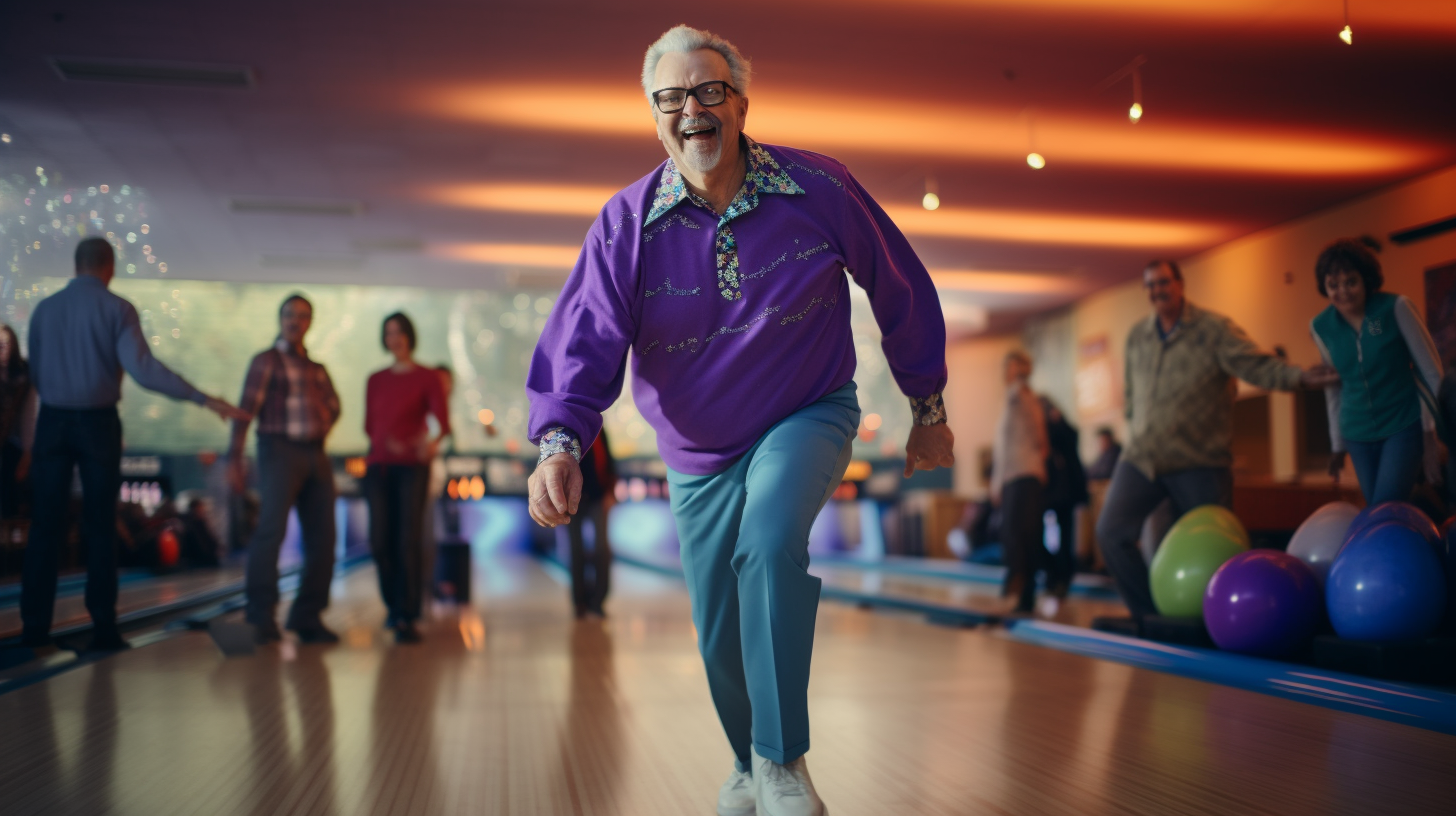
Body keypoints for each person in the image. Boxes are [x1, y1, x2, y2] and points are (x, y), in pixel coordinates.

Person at [525, 26, 954, 816]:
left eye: (709, 91)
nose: (692, 110)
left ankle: (782, 760)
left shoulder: (817, 188)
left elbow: (898, 284)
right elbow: (581, 342)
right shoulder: (625, 226)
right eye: (672, 97)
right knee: (718, 629)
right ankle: (745, 761)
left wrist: (927, 405)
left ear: (742, 103)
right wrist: (559, 443)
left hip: (806, 410)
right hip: (696, 452)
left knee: (766, 547)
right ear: (654, 115)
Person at [22, 238, 246, 651]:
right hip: (97, 423)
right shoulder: (117, 309)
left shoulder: (44, 310)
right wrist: (202, 397)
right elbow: (144, 371)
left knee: (45, 527)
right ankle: (103, 629)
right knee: (101, 523)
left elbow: (35, 376)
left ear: (76, 266)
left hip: (52, 422)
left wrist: (28, 441)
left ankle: (34, 629)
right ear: (109, 267)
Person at [1095, 259, 1336, 625]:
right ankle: (1148, 617)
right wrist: (1135, 423)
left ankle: (1223, 620)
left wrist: (1298, 377)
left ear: (1180, 284)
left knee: (1218, 548)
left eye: (1163, 282)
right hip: (1144, 457)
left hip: (1200, 460)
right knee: (1110, 532)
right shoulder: (1137, 336)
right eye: (1150, 285)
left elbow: (1255, 365)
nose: (1157, 290)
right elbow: (1130, 393)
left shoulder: (1213, 329)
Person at [229, 294, 342, 645]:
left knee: (324, 537)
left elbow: (335, 407)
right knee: (270, 532)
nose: (295, 321)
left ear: (310, 323)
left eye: (302, 316)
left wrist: (320, 425)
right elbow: (245, 411)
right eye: (289, 315)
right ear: (281, 319)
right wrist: (234, 458)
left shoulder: (316, 368)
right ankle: (261, 617)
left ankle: (307, 617)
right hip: (278, 451)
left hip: (315, 453)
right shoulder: (266, 361)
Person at [1309, 237, 1445, 506]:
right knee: (1376, 509)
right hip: (1356, 433)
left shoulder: (1391, 310)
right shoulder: (1322, 327)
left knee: (1387, 505)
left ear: (1366, 280)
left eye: (1351, 281)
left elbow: (1430, 371)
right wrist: (1337, 444)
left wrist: (1432, 431)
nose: (1343, 291)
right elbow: (1334, 387)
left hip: (1402, 424)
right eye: (1333, 285)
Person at [364, 313, 450, 644]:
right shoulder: (375, 379)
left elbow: (442, 425)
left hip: (412, 469)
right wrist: (387, 442)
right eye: (389, 333)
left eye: (399, 332)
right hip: (378, 468)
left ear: (409, 337)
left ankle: (407, 614)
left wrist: (427, 445)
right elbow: (370, 426)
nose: (394, 338)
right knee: (379, 541)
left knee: (406, 540)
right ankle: (392, 606)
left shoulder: (428, 377)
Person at [991, 351, 1049, 614]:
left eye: (1013, 367)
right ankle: (1023, 593)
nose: (1008, 372)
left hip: (1025, 474)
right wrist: (997, 483)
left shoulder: (1021, 396)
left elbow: (1041, 440)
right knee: (1019, 534)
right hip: (1015, 475)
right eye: (1008, 366)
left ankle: (1021, 590)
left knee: (1020, 535)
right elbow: (1002, 448)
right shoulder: (1013, 400)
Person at [1041, 394, 1088, 612]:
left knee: (1065, 536)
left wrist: (1057, 421)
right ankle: (1055, 576)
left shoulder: (1059, 427)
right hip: (1053, 491)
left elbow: (1070, 443)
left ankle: (1062, 579)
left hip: (1062, 491)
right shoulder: (1047, 428)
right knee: (1049, 537)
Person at [568, 428, 617, 619]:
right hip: (573, 498)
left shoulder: (599, 428)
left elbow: (608, 461)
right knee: (576, 549)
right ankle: (579, 601)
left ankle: (598, 602)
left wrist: (610, 492)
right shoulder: (569, 428)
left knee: (601, 549)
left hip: (598, 495)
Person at [0, 324, 37, 519]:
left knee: (10, 499)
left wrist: (27, 454)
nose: (3, 349)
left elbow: (28, 420)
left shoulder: (23, 376)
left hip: (12, 447)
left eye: (5, 344)